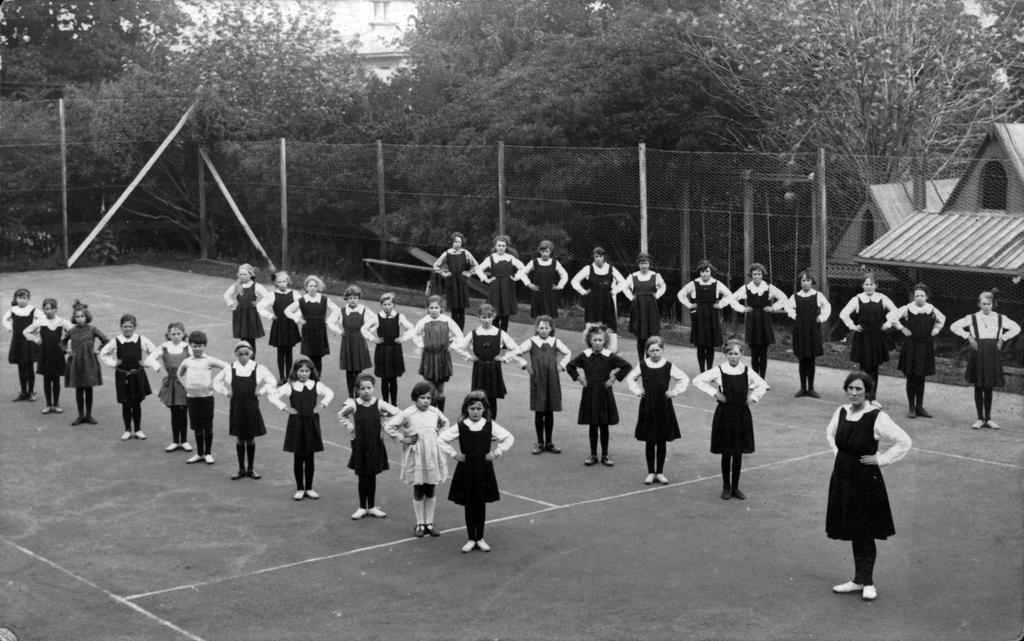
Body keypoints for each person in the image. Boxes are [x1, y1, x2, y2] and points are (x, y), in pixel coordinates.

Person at [826, 371, 912, 602]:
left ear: (867, 392)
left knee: (865, 531)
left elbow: (904, 441)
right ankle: (857, 580)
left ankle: (869, 582)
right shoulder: (841, 411)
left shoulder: (877, 416)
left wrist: (880, 459)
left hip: (865, 479)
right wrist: (840, 455)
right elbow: (830, 433)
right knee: (854, 529)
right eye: (850, 389)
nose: (853, 393)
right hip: (843, 476)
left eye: (859, 390)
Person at [438, 391, 514, 553]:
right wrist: (454, 455)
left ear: (484, 409)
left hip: (483, 469)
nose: (475, 412)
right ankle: (471, 538)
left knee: (480, 503)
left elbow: (508, 438)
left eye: (479, 408)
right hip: (466, 469)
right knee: (469, 503)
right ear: (466, 409)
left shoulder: (489, 425)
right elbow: (441, 440)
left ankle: (480, 537)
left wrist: (496, 453)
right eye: (472, 408)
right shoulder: (461, 426)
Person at [692, 339, 768, 500]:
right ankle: (726, 487)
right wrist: (715, 393)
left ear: (741, 354)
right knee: (727, 452)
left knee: (738, 452)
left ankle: (736, 487)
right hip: (725, 414)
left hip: (741, 414)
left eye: (736, 354)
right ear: (726, 354)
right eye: (730, 354)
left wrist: (753, 398)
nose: (733, 357)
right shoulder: (719, 370)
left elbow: (762, 385)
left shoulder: (747, 371)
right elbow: (698, 380)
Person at [384, 381, 450, 538]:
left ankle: (429, 522)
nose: (426, 401)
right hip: (417, 455)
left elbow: (445, 423)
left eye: (428, 398)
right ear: (415, 398)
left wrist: (440, 436)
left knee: (431, 488)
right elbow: (389, 426)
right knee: (419, 489)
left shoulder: (435, 411)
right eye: (422, 398)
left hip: (432, 455)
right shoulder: (408, 413)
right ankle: (420, 523)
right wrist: (402, 438)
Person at [949, 291, 1021, 429]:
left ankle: (988, 418)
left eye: (989, 304)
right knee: (979, 385)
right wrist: (969, 337)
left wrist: (1002, 338)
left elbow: (1016, 328)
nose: (986, 306)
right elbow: (954, 326)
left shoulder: (1000, 318)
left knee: (988, 385)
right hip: (978, 352)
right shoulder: (972, 317)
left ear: (993, 304)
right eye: (983, 304)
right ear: (979, 304)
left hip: (992, 353)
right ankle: (979, 418)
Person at [503, 315, 572, 455]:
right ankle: (540, 442)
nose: (544, 330)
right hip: (538, 379)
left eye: (547, 328)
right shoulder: (531, 341)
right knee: (539, 411)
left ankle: (550, 442)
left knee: (550, 410)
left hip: (552, 379)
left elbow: (568, 353)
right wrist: (525, 365)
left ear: (551, 328)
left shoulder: (555, 341)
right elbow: (516, 353)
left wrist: (561, 366)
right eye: (541, 328)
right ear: (536, 328)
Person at [625, 336, 689, 485]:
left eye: (657, 350)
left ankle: (660, 472)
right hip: (648, 406)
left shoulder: (668, 365)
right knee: (650, 440)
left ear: (662, 350)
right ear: (647, 351)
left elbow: (684, 378)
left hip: (663, 406)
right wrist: (637, 390)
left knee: (661, 440)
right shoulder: (642, 365)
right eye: (651, 350)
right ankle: (650, 472)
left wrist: (674, 392)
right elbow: (630, 379)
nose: (655, 353)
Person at [565, 325, 632, 467]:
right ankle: (593, 454)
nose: (597, 343)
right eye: (594, 340)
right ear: (590, 341)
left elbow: (626, 366)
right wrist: (580, 378)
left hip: (604, 393)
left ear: (605, 341)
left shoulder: (609, 356)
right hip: (590, 393)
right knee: (593, 425)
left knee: (604, 425)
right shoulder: (585, 355)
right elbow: (570, 366)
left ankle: (606, 455)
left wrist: (614, 378)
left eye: (600, 340)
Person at [269, 356, 334, 500]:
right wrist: (285, 408)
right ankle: (299, 488)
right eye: (300, 371)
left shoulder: (316, 385)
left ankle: (309, 487)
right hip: (296, 424)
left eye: (306, 371)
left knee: (310, 457)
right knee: (298, 457)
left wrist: (321, 405)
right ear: (295, 371)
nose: (303, 374)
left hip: (311, 424)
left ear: (311, 372)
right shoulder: (290, 386)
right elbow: (272, 396)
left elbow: (330, 393)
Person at [338, 374, 401, 519]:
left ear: (373, 388)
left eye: (369, 388)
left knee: (372, 476)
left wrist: (385, 421)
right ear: (357, 390)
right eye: (362, 388)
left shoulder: (379, 403)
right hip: (360, 445)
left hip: (374, 444)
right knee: (362, 476)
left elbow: (397, 413)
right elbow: (342, 415)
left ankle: (371, 506)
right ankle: (362, 507)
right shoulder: (354, 404)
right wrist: (351, 428)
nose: (366, 391)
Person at [213, 340, 277, 480]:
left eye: (246, 354)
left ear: (251, 354)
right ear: (236, 354)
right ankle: (241, 468)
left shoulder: (258, 368)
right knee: (240, 438)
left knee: (251, 437)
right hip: (237, 406)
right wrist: (225, 392)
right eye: (240, 354)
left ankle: (251, 469)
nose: (243, 357)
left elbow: (272, 381)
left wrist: (261, 391)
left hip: (251, 406)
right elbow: (216, 382)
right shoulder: (230, 368)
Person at [886, 284, 946, 419]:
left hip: (925, 346)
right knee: (911, 376)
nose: (919, 298)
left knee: (921, 377)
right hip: (911, 346)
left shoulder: (931, 309)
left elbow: (941, 320)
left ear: (927, 297)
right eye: (917, 295)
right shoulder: (908, 309)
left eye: (922, 296)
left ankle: (920, 407)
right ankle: (911, 407)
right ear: (914, 296)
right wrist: (901, 328)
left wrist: (935, 330)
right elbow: (892, 316)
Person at [838, 273, 898, 404]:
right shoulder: (857, 299)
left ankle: (873, 398)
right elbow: (844, 313)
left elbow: (895, 311)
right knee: (863, 369)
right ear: (862, 285)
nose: (869, 287)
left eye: (871, 284)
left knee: (874, 369)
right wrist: (852, 326)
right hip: (863, 338)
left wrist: (887, 324)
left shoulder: (882, 298)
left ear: (876, 285)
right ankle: (862, 398)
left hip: (876, 338)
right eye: (866, 284)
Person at [453, 303, 518, 419]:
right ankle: (478, 423)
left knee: (492, 398)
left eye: (489, 317)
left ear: (493, 317)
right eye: (484, 317)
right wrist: (469, 357)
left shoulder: (500, 333)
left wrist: (504, 358)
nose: (486, 320)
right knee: (478, 397)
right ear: (479, 317)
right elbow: (458, 347)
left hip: (494, 369)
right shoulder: (474, 333)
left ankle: (491, 425)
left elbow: (516, 348)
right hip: (479, 368)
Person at [99, 313, 156, 441]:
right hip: (122, 376)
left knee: (136, 403)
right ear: (121, 327)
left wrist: (146, 362)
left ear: (134, 327)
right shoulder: (116, 341)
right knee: (126, 403)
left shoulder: (141, 340)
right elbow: (104, 353)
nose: (128, 329)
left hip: (137, 375)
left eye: (130, 326)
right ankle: (127, 430)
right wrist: (113, 363)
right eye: (125, 326)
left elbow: (154, 351)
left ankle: (138, 429)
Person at [176, 331, 230, 464]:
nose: (197, 349)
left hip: (206, 398)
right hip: (192, 398)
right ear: (190, 346)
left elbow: (227, 367)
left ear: (205, 346)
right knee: (197, 427)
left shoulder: (209, 360)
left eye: (200, 346)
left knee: (207, 426)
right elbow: (179, 374)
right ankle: (199, 453)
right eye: (194, 346)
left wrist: (216, 382)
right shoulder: (187, 361)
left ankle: (208, 453)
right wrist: (186, 385)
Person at [726, 263, 787, 379]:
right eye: (755, 274)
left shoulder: (769, 287)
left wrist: (773, 307)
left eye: (759, 274)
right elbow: (731, 299)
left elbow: (783, 298)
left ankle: (762, 379)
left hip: (764, 321)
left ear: (762, 275)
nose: (757, 276)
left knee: (763, 352)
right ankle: (754, 379)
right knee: (754, 352)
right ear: (751, 275)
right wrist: (743, 308)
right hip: (752, 321)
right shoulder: (747, 288)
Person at [778, 270, 831, 398]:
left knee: (811, 358)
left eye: (808, 280)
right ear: (800, 282)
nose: (806, 283)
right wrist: (794, 316)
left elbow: (827, 307)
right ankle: (802, 388)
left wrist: (821, 317)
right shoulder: (796, 296)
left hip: (813, 328)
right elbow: (787, 307)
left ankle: (811, 388)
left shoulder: (817, 295)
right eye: (803, 281)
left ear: (812, 282)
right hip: (800, 328)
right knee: (802, 358)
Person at [407, 295, 463, 412]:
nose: (434, 310)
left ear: (441, 308)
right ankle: (430, 413)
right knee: (430, 387)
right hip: (429, 357)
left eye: (436, 307)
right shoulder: (424, 321)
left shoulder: (447, 320)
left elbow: (459, 335)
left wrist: (452, 347)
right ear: (427, 308)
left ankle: (440, 413)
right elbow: (415, 334)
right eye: (431, 308)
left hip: (442, 357)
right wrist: (422, 345)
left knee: (440, 388)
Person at [677, 260, 732, 372]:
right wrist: (690, 305)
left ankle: (710, 371)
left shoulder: (716, 284)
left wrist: (720, 304)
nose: (704, 274)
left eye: (707, 271)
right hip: (699, 317)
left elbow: (729, 295)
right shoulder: (694, 283)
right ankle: (702, 371)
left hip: (712, 317)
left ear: (711, 272)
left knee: (710, 346)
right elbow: (681, 294)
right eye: (702, 272)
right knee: (701, 345)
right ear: (699, 273)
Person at [146, 322, 192, 453]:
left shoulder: (188, 347)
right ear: (168, 335)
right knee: (174, 412)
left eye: (179, 334)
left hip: (184, 384)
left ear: (183, 334)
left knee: (183, 412)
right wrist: (160, 369)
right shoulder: (164, 347)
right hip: (171, 383)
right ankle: (175, 441)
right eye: (173, 334)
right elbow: (150, 359)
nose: (176, 336)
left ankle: (184, 441)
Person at [571, 247, 626, 354]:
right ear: (593, 257)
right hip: (593, 301)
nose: (598, 259)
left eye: (600, 256)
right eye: (596, 257)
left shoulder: (611, 269)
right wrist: (583, 292)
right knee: (592, 323)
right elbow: (574, 281)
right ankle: (591, 347)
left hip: (607, 301)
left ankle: (610, 348)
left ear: (604, 257)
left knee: (608, 323)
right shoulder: (588, 268)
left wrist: (614, 291)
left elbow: (622, 282)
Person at [284, 275, 341, 376]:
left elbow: (337, 310)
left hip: (320, 330)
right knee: (309, 358)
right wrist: (298, 319)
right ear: (306, 287)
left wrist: (329, 320)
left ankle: (317, 380)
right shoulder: (302, 300)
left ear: (317, 287)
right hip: (308, 330)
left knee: (318, 358)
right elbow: (287, 311)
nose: (312, 288)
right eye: (310, 286)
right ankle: (309, 380)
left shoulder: (324, 299)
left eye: (314, 286)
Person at [23, 298, 72, 414]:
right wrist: (36, 339)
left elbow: (73, 332)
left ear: (56, 309)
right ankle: (48, 404)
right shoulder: (40, 322)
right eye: (46, 308)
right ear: (43, 310)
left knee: (56, 380)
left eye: (51, 308)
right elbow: (25, 331)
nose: (48, 311)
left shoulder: (62, 322)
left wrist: (67, 345)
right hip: (45, 354)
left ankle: (56, 404)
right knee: (46, 380)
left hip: (57, 354)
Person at [62, 301, 107, 425]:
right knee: (79, 389)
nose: (80, 319)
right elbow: (62, 342)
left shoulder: (92, 329)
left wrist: (98, 350)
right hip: (76, 363)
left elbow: (106, 340)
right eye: (77, 317)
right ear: (74, 318)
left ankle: (89, 415)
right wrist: (67, 351)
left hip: (89, 362)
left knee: (88, 388)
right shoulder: (72, 331)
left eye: (82, 316)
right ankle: (80, 415)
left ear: (87, 317)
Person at [364, 292, 412, 406]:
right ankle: (385, 404)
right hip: (382, 351)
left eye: (389, 304)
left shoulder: (400, 316)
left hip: (395, 351)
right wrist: (373, 339)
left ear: (393, 304)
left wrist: (403, 338)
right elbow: (364, 329)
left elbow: (411, 328)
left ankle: (394, 405)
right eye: (384, 304)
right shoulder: (376, 317)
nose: (387, 307)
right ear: (381, 305)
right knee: (384, 380)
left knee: (393, 380)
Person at [621, 253, 667, 361]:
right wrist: (631, 297)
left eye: (646, 263)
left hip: (651, 307)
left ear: (649, 264)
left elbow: (663, 286)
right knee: (640, 336)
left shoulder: (655, 275)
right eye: (641, 263)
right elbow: (625, 287)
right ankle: (641, 361)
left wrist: (657, 295)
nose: (644, 266)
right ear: (638, 264)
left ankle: (649, 360)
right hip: (638, 308)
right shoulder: (633, 276)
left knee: (651, 336)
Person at [475, 235, 527, 332]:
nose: (501, 248)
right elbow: (478, 269)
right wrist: (486, 279)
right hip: (495, 287)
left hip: (507, 287)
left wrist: (516, 277)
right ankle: (495, 335)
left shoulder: (510, 258)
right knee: (495, 311)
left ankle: (503, 337)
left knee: (505, 313)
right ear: (495, 246)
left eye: (503, 246)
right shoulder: (491, 258)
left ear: (506, 247)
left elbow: (523, 268)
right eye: (499, 245)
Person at [258, 270, 302, 382]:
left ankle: (289, 376)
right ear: (276, 283)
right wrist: (270, 316)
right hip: (279, 325)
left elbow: (302, 306)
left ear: (288, 282)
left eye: (284, 281)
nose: (282, 284)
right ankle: (282, 376)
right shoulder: (272, 295)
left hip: (290, 325)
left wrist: (295, 316)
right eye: (280, 282)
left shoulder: (295, 294)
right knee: (280, 352)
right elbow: (260, 306)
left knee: (289, 351)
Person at [432, 232, 479, 330]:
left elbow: (476, 265)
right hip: (451, 283)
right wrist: (443, 273)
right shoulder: (447, 253)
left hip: (461, 283)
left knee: (461, 310)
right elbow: (436, 265)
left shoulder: (465, 253)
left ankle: (460, 333)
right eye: (456, 241)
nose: (458, 244)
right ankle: (454, 332)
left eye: (460, 242)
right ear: (452, 242)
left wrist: (469, 272)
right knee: (454, 310)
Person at [334, 284, 374, 398]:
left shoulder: (364, 309)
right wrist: (339, 331)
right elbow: (330, 321)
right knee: (349, 370)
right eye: (351, 298)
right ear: (347, 298)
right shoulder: (342, 311)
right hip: (347, 342)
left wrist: (367, 331)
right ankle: (350, 396)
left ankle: (358, 395)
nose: (353, 300)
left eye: (355, 298)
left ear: (358, 298)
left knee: (358, 370)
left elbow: (375, 320)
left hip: (359, 341)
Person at [222, 263, 269, 356]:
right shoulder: (237, 286)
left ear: (251, 275)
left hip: (251, 315)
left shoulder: (256, 286)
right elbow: (226, 295)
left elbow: (268, 296)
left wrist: (259, 305)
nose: (243, 277)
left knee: (251, 341)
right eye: (241, 274)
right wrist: (232, 305)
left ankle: (252, 362)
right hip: (240, 315)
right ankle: (244, 360)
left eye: (245, 274)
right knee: (243, 341)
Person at [5, 287, 42, 401]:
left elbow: (42, 319)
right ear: (16, 299)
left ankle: (31, 391)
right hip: (17, 342)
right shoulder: (13, 310)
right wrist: (10, 328)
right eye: (20, 298)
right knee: (21, 367)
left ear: (28, 299)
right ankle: (23, 392)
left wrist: (36, 329)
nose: (22, 300)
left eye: (25, 298)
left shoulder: (33, 310)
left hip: (29, 342)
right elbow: (5, 319)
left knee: (29, 367)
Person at [519, 239, 569, 319]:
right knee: (538, 318)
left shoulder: (554, 263)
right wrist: (528, 284)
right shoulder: (534, 262)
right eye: (542, 251)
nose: (544, 254)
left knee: (549, 318)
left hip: (550, 294)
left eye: (547, 251)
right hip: (537, 293)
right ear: (539, 251)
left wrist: (559, 286)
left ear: (550, 251)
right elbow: (522, 273)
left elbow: (564, 275)